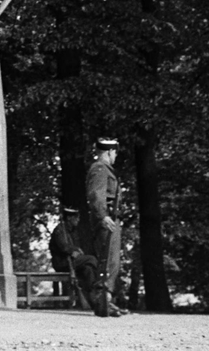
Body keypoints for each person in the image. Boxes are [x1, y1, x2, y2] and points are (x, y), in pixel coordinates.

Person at [85, 136, 124, 318]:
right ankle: (103, 301)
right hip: (106, 219)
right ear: (109, 151)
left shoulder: (103, 169)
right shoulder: (100, 169)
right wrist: (103, 216)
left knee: (111, 259)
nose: (115, 155)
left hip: (109, 217)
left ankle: (107, 301)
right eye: (115, 152)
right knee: (108, 260)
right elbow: (96, 194)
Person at [49, 206, 96, 302]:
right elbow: (63, 247)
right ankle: (99, 285)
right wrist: (75, 250)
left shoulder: (71, 232)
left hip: (71, 261)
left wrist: (76, 251)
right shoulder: (60, 230)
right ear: (69, 218)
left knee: (88, 269)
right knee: (92, 259)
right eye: (76, 217)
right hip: (62, 262)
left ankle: (92, 295)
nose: (78, 220)